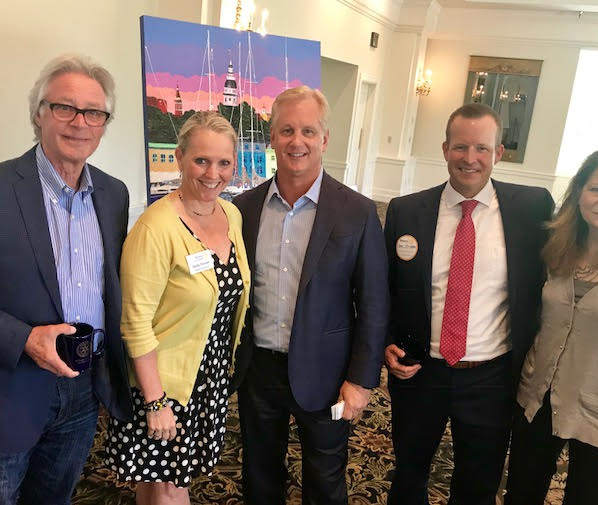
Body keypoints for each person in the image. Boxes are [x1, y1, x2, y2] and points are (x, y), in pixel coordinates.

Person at [384, 103, 555, 505]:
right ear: (445, 149)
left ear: (498, 153)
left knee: (478, 484)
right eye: (460, 147)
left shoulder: (532, 209)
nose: (470, 158)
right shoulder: (406, 211)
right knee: (408, 473)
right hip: (420, 371)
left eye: (482, 148)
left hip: (490, 377)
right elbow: (385, 287)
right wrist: (386, 341)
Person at [232, 86, 389, 505]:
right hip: (259, 369)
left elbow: (374, 304)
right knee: (259, 471)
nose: (296, 141)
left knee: (325, 477)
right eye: (286, 130)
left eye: (307, 131)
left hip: (327, 372)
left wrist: (361, 380)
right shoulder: (244, 208)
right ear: (272, 137)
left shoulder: (357, 211)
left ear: (325, 139)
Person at [0, 54, 133, 504]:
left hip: (84, 388)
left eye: (94, 112)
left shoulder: (114, 194)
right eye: (64, 107)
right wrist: (24, 339)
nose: (80, 123)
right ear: (38, 113)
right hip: (11, 387)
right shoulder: (2, 187)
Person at [106, 111, 250, 504]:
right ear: (179, 157)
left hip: (208, 376)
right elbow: (134, 321)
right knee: (168, 487)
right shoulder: (156, 227)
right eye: (201, 160)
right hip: (164, 382)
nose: (213, 173)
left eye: (224, 162)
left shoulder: (231, 215)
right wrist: (155, 402)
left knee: (162, 482)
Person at [504, 148, 598, 505]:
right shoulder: (557, 251)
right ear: (579, 194)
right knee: (520, 495)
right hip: (537, 399)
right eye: (596, 188)